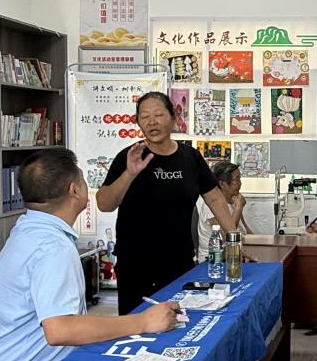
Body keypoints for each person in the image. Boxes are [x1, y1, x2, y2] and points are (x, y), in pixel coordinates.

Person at [0, 148, 179, 361]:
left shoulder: (29, 228)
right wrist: (143, 322)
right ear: (75, 190)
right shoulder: (52, 247)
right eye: (83, 180)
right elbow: (60, 330)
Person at [96, 92, 236, 314]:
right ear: (138, 122)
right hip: (136, 264)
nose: (152, 122)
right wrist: (129, 174)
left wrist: (234, 240)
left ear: (173, 118)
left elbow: (215, 198)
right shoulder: (130, 156)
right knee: (138, 325)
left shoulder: (190, 157)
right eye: (145, 116)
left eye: (159, 114)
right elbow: (104, 204)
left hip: (179, 262)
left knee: (180, 320)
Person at [196, 160, 253, 261]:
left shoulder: (233, 200)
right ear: (222, 184)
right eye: (237, 180)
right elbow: (226, 237)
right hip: (214, 259)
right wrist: (239, 208)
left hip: (235, 253)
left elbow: (245, 229)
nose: (240, 183)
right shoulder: (211, 206)